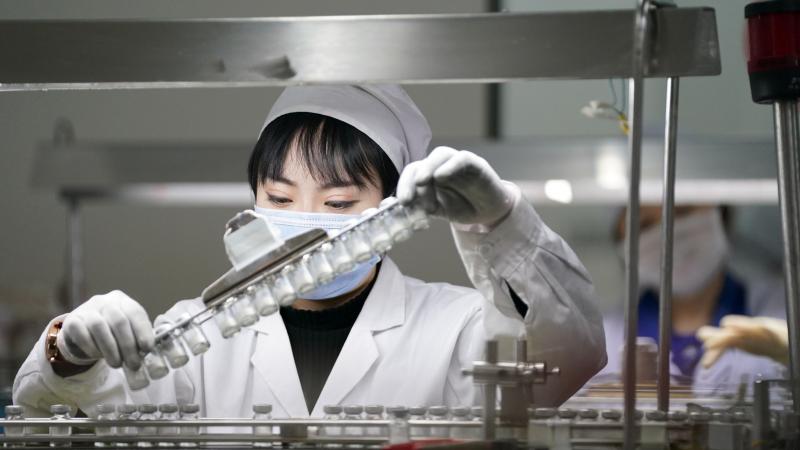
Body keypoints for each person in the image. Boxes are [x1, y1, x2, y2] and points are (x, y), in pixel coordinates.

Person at [13, 85, 606, 418]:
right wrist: (71, 352)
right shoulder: (200, 336)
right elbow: (62, 408)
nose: (302, 223)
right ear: (253, 198)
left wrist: (501, 221)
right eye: (279, 196)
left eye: (339, 203)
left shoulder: (454, 330)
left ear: (387, 207)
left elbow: (568, 355)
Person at [602, 204, 786, 395]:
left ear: (721, 215)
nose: (669, 234)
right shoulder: (601, 340)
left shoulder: (783, 314)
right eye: (645, 225)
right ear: (622, 246)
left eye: (682, 211)